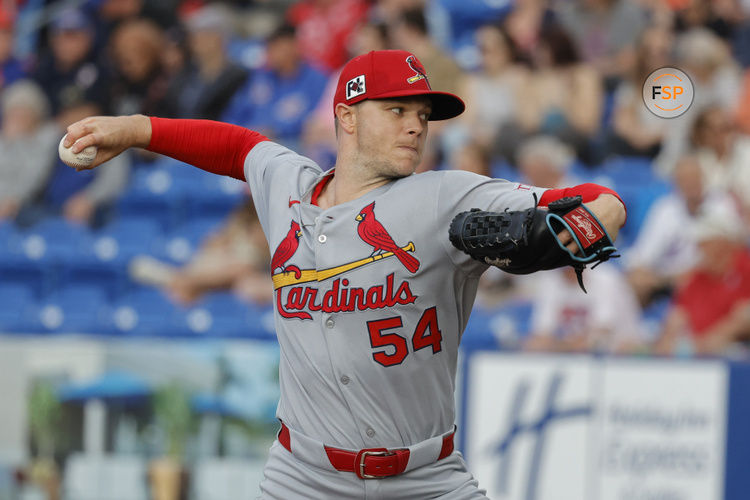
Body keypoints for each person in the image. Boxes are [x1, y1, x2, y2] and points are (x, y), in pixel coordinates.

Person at [62, 49, 626, 498]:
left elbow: (600, 201)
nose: (416, 128)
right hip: (302, 477)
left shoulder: (445, 198)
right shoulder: (288, 185)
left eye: (423, 116)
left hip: (425, 479)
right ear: (347, 116)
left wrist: (576, 227)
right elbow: (237, 147)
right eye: (397, 111)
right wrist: (136, 128)